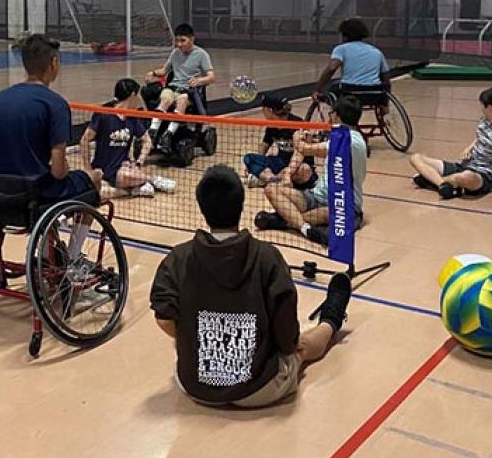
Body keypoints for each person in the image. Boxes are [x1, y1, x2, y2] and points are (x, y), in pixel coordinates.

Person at [149, 164, 353, 408]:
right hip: (260, 388)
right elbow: (286, 332)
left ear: (202, 208)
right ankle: (332, 318)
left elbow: (164, 319)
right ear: (242, 205)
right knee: (303, 346)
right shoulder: (268, 257)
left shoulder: (177, 259)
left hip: (196, 385)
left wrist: (197, 340)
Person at [0, 34, 100, 261]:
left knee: (44, 182)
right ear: (54, 63)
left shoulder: (0, 99)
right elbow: (58, 172)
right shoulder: (55, 104)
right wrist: (64, 167)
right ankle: (74, 258)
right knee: (93, 178)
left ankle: (49, 253)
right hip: (31, 195)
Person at [257, 96, 367, 246]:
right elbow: (320, 146)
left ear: (336, 116)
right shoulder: (343, 136)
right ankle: (304, 226)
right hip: (315, 196)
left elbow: (304, 150)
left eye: (331, 113)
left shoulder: (348, 140)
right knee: (271, 189)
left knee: (325, 214)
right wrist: (310, 140)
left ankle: (290, 221)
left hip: (342, 203)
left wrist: (297, 137)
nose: (329, 116)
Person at [409, 87, 492, 199]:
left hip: (483, 175)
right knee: (416, 158)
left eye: (482, 105)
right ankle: (442, 185)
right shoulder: (485, 120)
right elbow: (480, 137)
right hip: (465, 165)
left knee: (465, 177)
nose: (481, 108)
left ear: (489, 108)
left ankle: (430, 179)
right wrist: (468, 148)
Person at [80, 78, 177, 199]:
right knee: (97, 194)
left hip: (122, 169)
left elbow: (147, 141)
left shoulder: (132, 118)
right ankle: (135, 189)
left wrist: (138, 162)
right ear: (132, 95)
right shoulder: (103, 114)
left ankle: (152, 180)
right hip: (102, 169)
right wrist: (88, 169)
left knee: (124, 176)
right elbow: (84, 140)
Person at [144, 23, 216, 153]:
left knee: (182, 100)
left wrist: (199, 80)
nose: (179, 44)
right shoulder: (175, 53)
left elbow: (211, 77)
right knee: (165, 98)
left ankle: (168, 135)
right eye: (177, 41)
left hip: (189, 92)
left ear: (192, 39)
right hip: (173, 88)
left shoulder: (202, 55)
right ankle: (153, 131)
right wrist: (153, 73)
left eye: (183, 40)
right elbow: (164, 71)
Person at [242, 94, 317, 190]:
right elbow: (265, 145)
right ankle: (274, 179)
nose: (262, 111)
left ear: (270, 110)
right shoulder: (272, 125)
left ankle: (267, 180)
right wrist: (258, 164)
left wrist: (288, 171)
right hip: (280, 162)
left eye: (263, 108)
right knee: (249, 158)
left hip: (298, 165)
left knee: (304, 170)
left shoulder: (297, 125)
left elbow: (300, 155)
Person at [312, 18, 391, 105]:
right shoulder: (376, 51)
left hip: (349, 92)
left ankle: (336, 115)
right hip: (374, 94)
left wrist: (317, 88)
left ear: (345, 36)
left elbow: (332, 68)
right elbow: (386, 79)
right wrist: (385, 103)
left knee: (333, 89)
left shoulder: (341, 49)